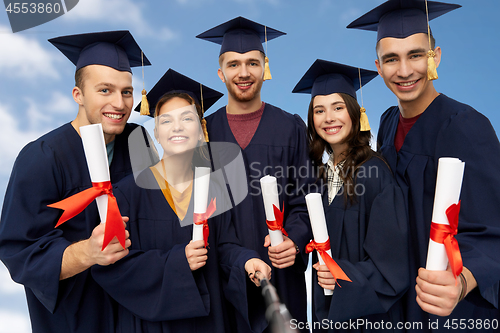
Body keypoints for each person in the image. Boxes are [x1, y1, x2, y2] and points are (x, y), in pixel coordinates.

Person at [348, 0, 500, 330]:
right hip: (400, 300)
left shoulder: (467, 126)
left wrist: (462, 282)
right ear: (378, 66)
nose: (404, 71)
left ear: (436, 56)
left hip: (455, 309)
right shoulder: (388, 123)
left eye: (416, 54)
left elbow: (494, 228)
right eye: (391, 59)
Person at [92, 68, 272, 333]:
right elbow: (111, 266)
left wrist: (246, 261)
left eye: (187, 118)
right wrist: (179, 261)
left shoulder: (214, 188)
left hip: (209, 323)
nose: (176, 126)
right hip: (151, 326)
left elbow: (224, 247)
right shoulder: (127, 193)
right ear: (156, 131)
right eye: (166, 120)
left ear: (201, 129)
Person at [0, 31, 156, 333]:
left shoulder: (138, 141)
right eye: (105, 90)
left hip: (138, 311)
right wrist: (88, 252)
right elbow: (20, 251)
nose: (120, 103)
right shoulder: (42, 157)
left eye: (126, 92)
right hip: (78, 316)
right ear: (79, 95)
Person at [197, 16, 314, 332]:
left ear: (265, 67)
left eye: (252, 62)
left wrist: (295, 239)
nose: (244, 72)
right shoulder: (204, 130)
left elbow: (305, 198)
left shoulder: (290, 127)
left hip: (280, 272)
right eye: (233, 64)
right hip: (222, 275)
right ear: (221, 73)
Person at [293, 59, 409, 331]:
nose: (328, 118)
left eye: (338, 107)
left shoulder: (375, 174)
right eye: (319, 110)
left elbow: (393, 265)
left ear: (356, 114)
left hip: (370, 320)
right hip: (327, 314)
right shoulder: (319, 176)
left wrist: (343, 276)